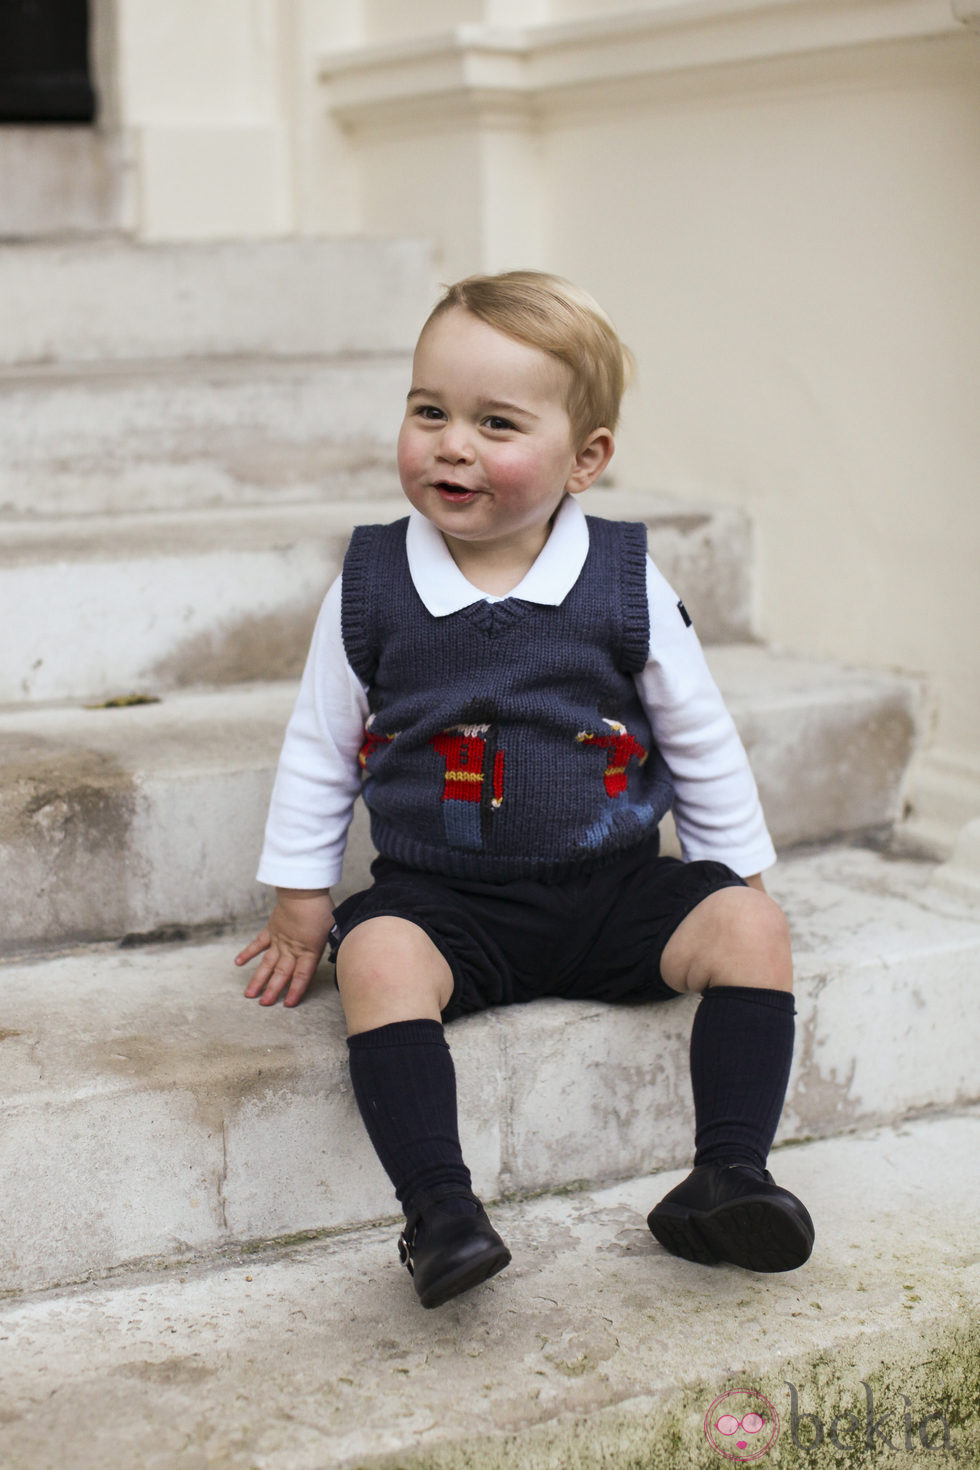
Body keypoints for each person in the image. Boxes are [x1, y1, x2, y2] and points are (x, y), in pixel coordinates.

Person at [235, 270, 815, 1309]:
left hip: (611, 892)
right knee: (374, 960)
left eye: (494, 423)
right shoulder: (371, 581)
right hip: (445, 903)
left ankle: (726, 1173)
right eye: (429, 412)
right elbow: (321, 746)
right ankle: (439, 1210)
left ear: (585, 457)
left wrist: (744, 876)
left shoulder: (624, 579)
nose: (451, 443)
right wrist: (299, 893)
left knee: (751, 935)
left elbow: (697, 735)